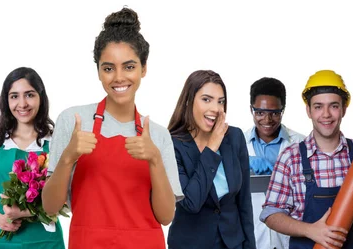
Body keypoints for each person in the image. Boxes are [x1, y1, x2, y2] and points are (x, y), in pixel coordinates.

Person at [42, 7, 184, 249]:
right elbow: (50, 207)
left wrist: (155, 160)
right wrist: (68, 158)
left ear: (144, 68)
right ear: (98, 70)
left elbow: (166, 216)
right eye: (108, 68)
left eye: (129, 67)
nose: (119, 77)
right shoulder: (73, 121)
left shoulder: (157, 135)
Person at [260, 70, 353, 249]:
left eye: (334, 106)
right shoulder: (290, 157)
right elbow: (271, 214)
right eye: (318, 106)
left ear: (344, 109)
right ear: (308, 110)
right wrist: (310, 230)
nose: (326, 114)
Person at [0, 67, 65, 249]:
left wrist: (23, 212)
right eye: (14, 96)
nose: (22, 104)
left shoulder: (54, 143)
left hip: (46, 242)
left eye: (29, 95)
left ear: (41, 97)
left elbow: (65, 197)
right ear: (6, 101)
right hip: (5, 241)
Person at [166, 70, 256, 249]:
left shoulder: (234, 137)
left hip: (233, 243)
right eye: (206, 99)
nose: (215, 108)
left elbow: (244, 202)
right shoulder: (172, 144)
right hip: (190, 244)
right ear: (189, 101)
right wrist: (212, 147)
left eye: (220, 101)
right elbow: (191, 202)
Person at [244, 77, 305, 249]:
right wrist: (240, 162)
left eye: (274, 113)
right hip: (252, 237)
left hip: (290, 237)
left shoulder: (302, 144)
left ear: (283, 110)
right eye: (260, 112)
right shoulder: (237, 144)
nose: (267, 119)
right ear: (251, 109)